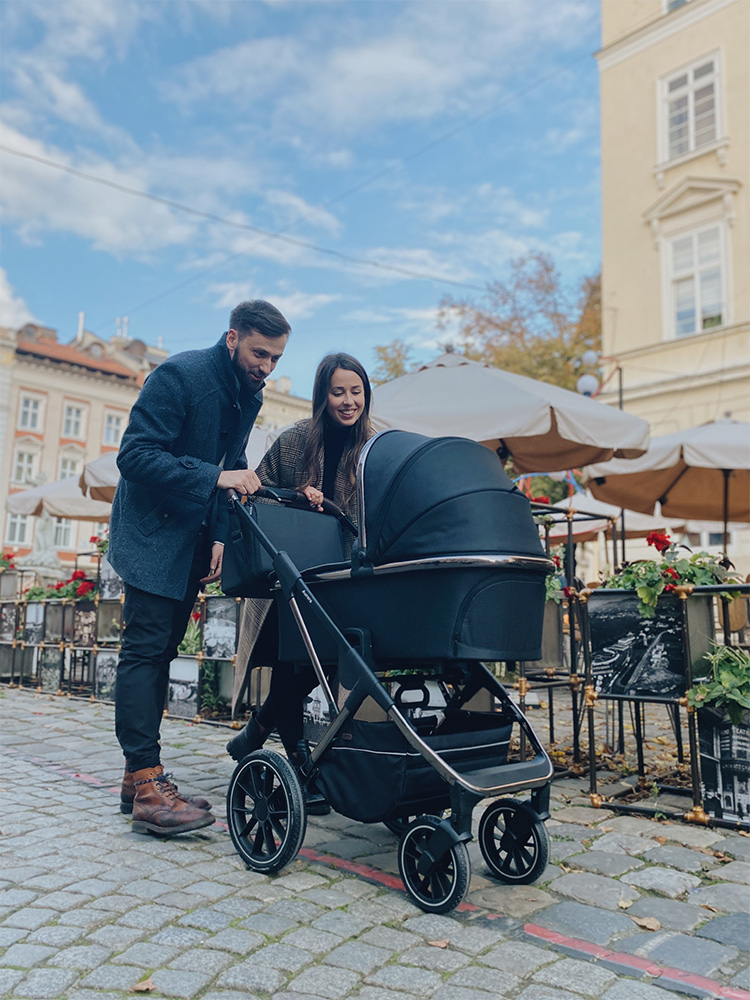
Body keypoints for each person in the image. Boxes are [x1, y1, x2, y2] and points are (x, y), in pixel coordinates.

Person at [108, 300, 290, 836]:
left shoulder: (248, 394)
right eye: (260, 353)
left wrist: (216, 535)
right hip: (148, 534)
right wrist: (216, 478)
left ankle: (135, 775)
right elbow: (134, 456)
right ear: (232, 338)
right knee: (144, 652)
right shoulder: (179, 375)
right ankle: (146, 787)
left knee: (162, 653)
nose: (266, 367)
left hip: (190, 536)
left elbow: (229, 468)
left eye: (276, 359)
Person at [226, 353, 372, 779]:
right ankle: (300, 765)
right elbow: (255, 491)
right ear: (322, 396)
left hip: (340, 576)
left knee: (322, 665)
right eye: (338, 391)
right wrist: (295, 495)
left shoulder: (373, 447)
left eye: (356, 391)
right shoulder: (296, 440)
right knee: (293, 663)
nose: (348, 401)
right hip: (288, 573)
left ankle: (258, 728)